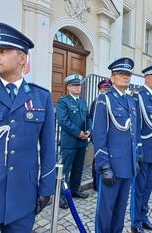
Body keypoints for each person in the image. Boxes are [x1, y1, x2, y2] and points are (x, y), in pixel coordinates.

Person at [0, 22, 56, 232]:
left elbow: (48, 149)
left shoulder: (41, 97)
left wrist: (46, 187)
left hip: (23, 198)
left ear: (22, 58)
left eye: (3, 51)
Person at [93, 58, 138, 233]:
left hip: (128, 164)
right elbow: (99, 134)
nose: (126, 77)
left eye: (128, 74)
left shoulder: (131, 101)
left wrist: (136, 158)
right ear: (112, 77)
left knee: (120, 209)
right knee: (106, 209)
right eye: (121, 74)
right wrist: (104, 165)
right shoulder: (105, 99)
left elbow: (134, 133)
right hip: (112, 164)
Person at [131, 63, 152, 233]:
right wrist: (139, 149)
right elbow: (135, 127)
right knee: (139, 188)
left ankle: (144, 218)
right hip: (144, 151)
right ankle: (135, 223)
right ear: (147, 78)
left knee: (147, 187)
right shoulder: (139, 97)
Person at [56, 74, 92, 209]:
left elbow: (88, 118)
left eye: (79, 85)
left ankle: (75, 190)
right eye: (75, 85)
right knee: (65, 170)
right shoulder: (63, 101)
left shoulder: (82, 101)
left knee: (78, 168)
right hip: (70, 142)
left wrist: (89, 130)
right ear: (68, 87)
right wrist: (78, 133)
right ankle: (61, 197)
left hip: (82, 142)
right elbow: (63, 121)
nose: (78, 87)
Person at [90, 79, 112, 192]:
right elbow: (94, 120)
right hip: (99, 136)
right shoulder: (98, 101)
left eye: (108, 88)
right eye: (104, 88)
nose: (106, 90)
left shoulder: (110, 100)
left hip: (108, 137)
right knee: (98, 158)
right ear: (100, 89)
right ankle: (96, 183)